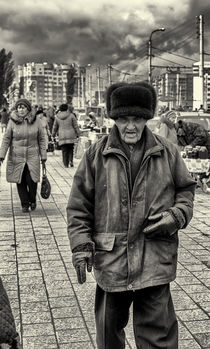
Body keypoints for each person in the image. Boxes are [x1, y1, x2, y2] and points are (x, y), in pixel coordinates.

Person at [66, 81, 196, 349]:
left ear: (147, 119)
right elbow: (79, 205)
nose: (131, 126)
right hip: (112, 260)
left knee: (159, 337)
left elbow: (186, 190)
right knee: (108, 333)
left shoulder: (167, 151)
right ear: (114, 119)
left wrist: (177, 216)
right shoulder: (96, 155)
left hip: (155, 257)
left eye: (137, 119)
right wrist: (80, 245)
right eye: (124, 119)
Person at [0, 98, 47, 212]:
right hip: (17, 156)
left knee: (32, 180)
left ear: (28, 108)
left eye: (23, 107)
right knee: (20, 180)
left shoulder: (36, 121)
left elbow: (41, 138)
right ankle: (24, 204)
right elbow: (6, 139)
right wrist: (2, 155)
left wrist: (43, 155)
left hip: (32, 156)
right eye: (19, 107)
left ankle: (32, 199)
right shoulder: (12, 121)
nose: (21, 109)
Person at [52, 103, 80, 167]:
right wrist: (78, 134)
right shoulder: (71, 115)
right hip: (71, 135)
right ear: (67, 108)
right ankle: (71, 161)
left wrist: (53, 135)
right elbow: (75, 126)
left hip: (62, 135)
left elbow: (55, 127)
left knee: (64, 150)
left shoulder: (57, 117)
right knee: (70, 149)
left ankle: (65, 164)